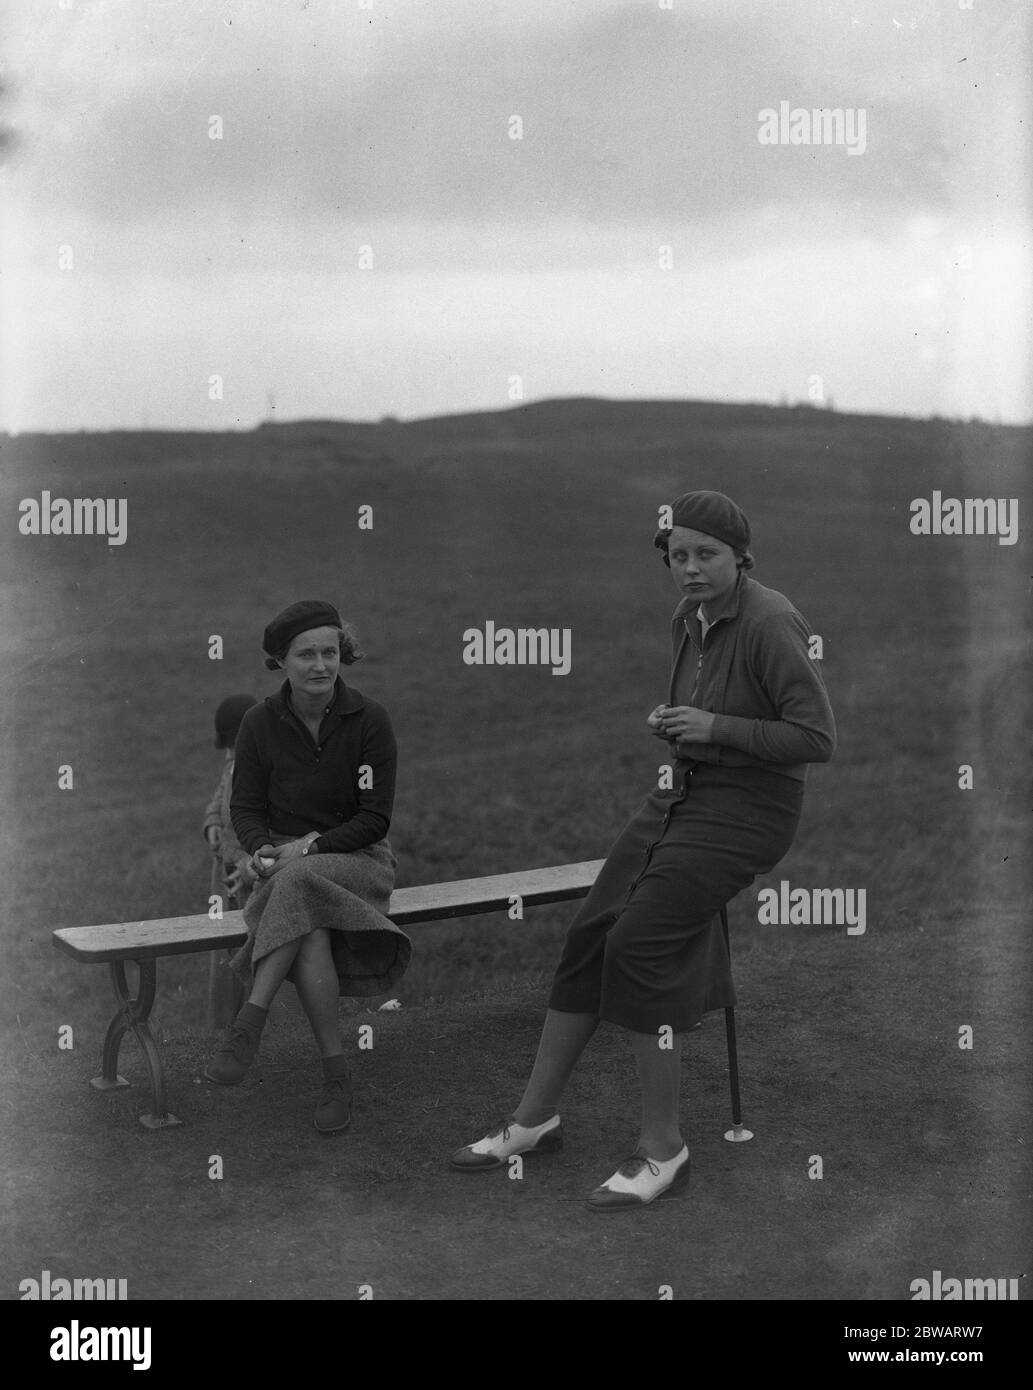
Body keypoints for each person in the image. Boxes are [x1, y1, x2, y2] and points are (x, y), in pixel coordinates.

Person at [450, 490, 836, 1210]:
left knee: (639, 946)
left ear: (739, 556)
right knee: (590, 935)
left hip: (749, 812)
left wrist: (712, 727)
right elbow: (707, 714)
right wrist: (677, 725)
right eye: (677, 556)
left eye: (705, 554)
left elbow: (815, 739)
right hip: (682, 795)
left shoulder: (771, 621)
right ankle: (532, 1121)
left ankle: (664, 1149)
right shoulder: (687, 619)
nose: (689, 568)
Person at [203, 600, 410, 1134]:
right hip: (287, 871)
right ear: (281, 662)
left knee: (297, 881)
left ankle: (250, 1019)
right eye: (306, 654)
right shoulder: (258, 724)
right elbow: (245, 809)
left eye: (330, 652)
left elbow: (375, 820)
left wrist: (307, 849)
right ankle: (335, 1076)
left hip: (361, 864)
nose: (321, 665)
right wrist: (257, 849)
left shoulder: (369, 721)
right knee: (309, 928)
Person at [202, 693, 258, 1028]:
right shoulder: (233, 764)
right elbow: (220, 795)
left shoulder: (261, 769)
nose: (228, 755)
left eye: (232, 746)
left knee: (252, 953)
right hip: (223, 878)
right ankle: (222, 1027)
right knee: (223, 953)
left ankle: (256, 1026)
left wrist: (240, 858)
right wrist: (211, 822)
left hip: (250, 876)